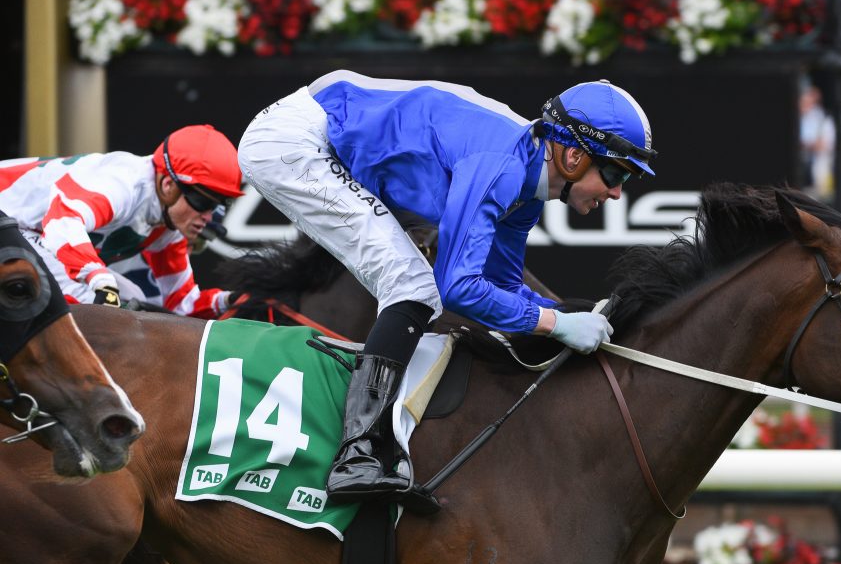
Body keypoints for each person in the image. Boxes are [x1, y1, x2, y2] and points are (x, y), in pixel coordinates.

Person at [237, 70, 656, 502]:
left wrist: (564, 315)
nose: (616, 193)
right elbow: (458, 287)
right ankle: (358, 456)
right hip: (294, 143)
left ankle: (368, 448)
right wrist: (555, 323)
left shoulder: (525, 191)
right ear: (573, 157)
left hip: (320, 132)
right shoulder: (502, 167)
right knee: (414, 286)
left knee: (415, 285)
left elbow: (501, 286)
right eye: (614, 174)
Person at [0, 124, 244, 317]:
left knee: (134, 303)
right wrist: (98, 278)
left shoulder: (169, 223)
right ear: (168, 184)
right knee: (93, 302)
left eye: (218, 205)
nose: (208, 217)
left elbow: (181, 305)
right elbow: (61, 222)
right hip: (15, 221)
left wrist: (230, 300)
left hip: (24, 232)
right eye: (203, 202)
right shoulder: (123, 183)